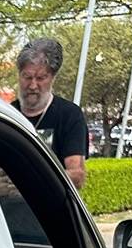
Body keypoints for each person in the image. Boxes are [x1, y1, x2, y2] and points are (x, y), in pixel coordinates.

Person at [13, 37, 88, 189]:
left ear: (53, 78)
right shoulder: (6, 113)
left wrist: (27, 183)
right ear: (19, 76)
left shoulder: (69, 115)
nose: (33, 85)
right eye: (27, 77)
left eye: (41, 78)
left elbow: (77, 175)